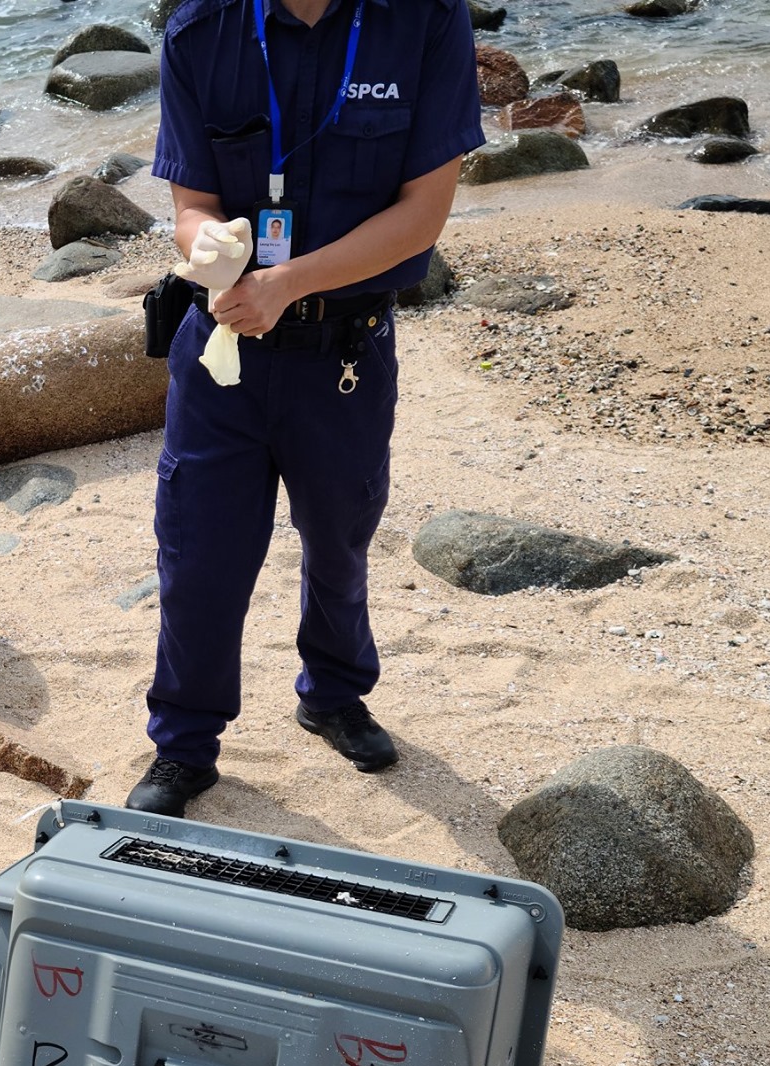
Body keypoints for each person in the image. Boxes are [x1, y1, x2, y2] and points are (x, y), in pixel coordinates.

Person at [127, 0, 485, 817]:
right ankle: (184, 745)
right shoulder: (200, 29)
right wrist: (209, 248)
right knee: (198, 552)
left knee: (340, 538)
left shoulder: (425, 19)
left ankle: (332, 694)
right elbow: (190, 205)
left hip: (346, 354)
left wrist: (287, 284)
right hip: (222, 351)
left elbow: (423, 216)